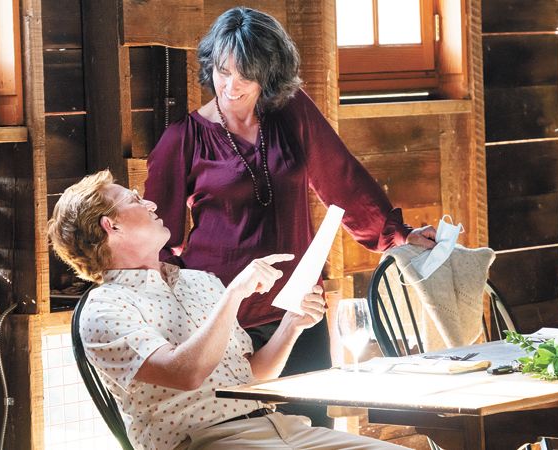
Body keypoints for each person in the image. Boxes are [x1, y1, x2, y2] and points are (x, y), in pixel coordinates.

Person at [143, 6, 435, 426]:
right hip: (224, 317)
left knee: (312, 430)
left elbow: (343, 180)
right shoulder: (183, 138)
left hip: (300, 311)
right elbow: (160, 242)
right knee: (244, 435)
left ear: (270, 73)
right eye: (223, 71)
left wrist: (398, 236)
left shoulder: (291, 113)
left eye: (246, 74)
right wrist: (176, 320)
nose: (231, 85)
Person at [48, 170, 406, 450]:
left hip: (281, 426)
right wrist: (233, 293)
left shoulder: (199, 281)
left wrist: (292, 325)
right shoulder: (104, 308)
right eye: (135, 200)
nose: (152, 204)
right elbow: (184, 373)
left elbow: (252, 375)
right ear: (111, 225)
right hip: (207, 442)